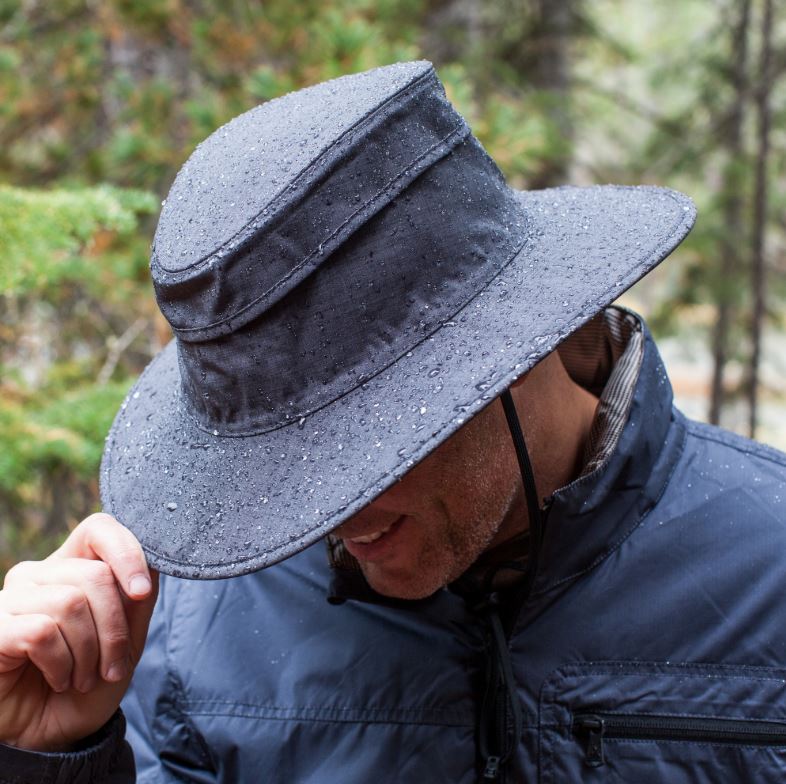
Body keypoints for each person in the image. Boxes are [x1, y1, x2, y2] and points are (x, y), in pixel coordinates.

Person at [1, 60, 785, 784]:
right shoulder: (189, 634)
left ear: (510, 345)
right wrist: (51, 756)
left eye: (355, 446)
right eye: (273, 460)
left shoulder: (769, 573)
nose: (324, 516)